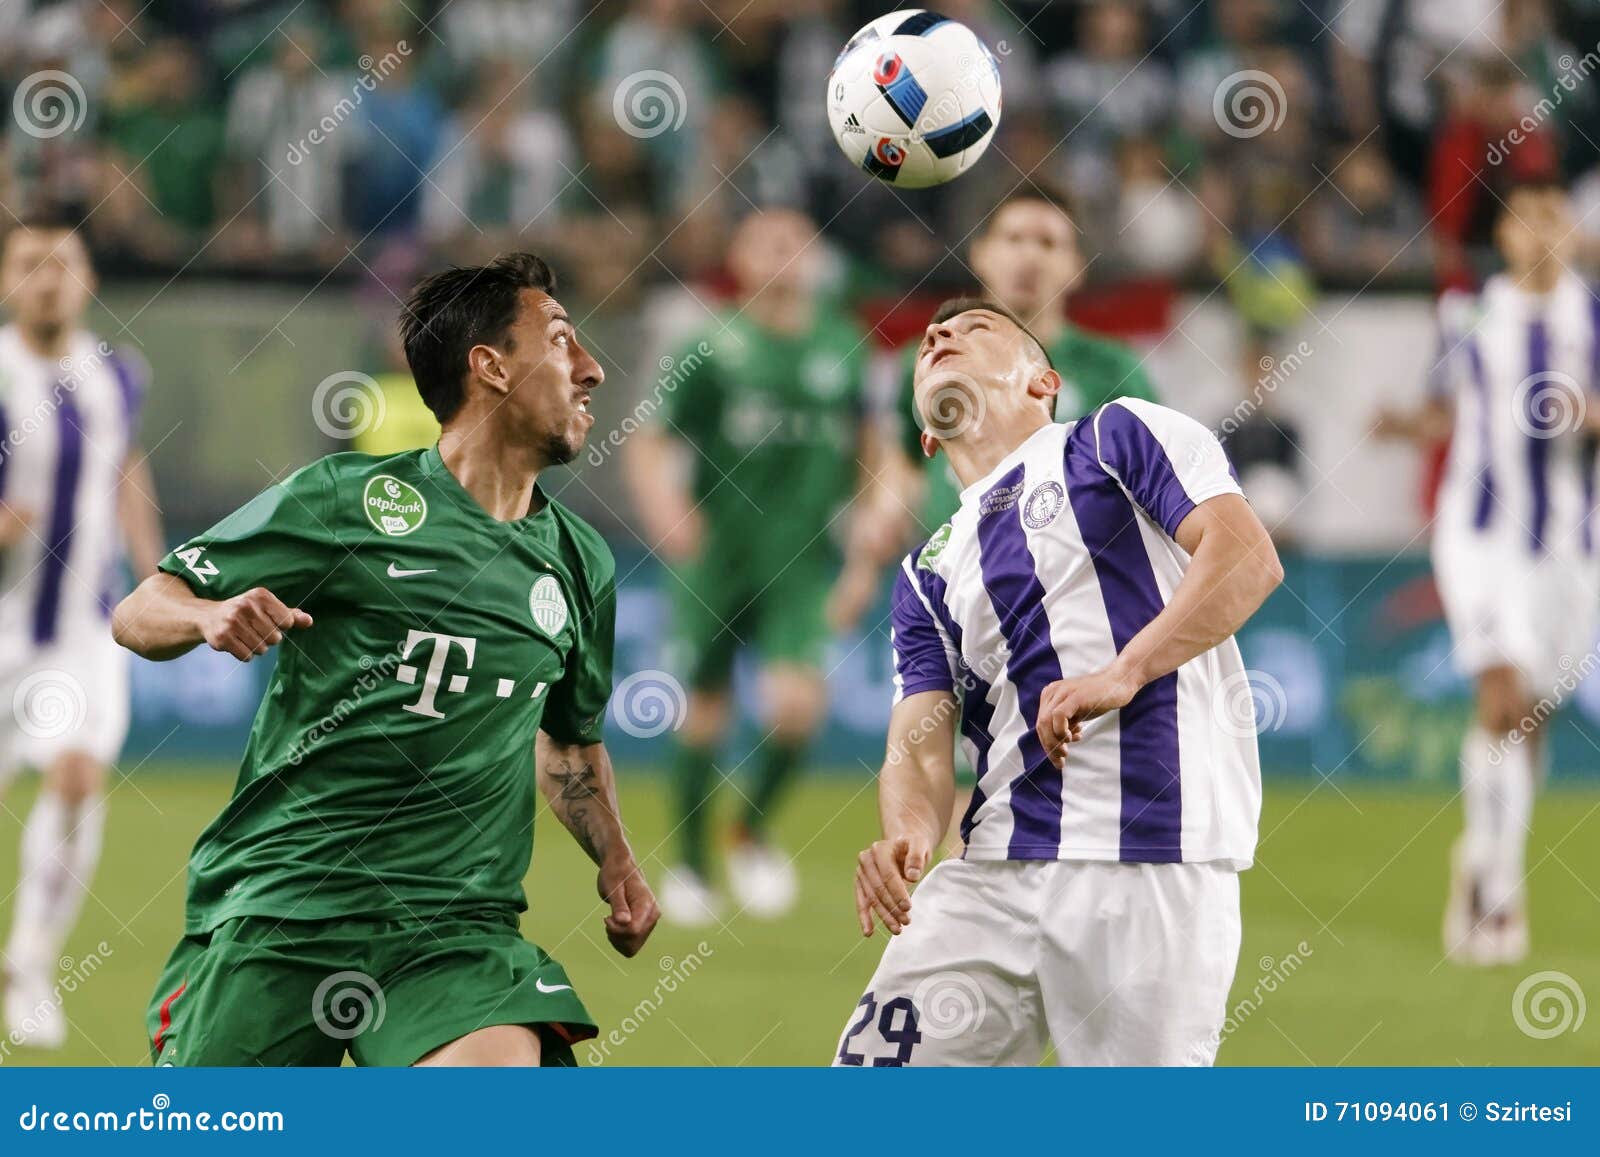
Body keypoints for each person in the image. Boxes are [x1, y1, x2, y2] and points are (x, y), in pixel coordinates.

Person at [113, 253, 659, 1066]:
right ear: (491, 366)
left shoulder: (582, 563)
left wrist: (615, 853)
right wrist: (209, 612)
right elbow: (138, 610)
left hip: (454, 931)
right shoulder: (345, 499)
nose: (592, 369)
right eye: (560, 340)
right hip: (287, 909)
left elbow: (569, 744)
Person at [836, 298, 1281, 1066]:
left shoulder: (1114, 437)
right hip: (991, 873)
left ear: (1045, 380)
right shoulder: (925, 572)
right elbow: (919, 744)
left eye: (976, 329)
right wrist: (909, 833)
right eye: (929, 341)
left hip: (1149, 857)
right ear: (924, 434)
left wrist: (1124, 671)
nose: (940, 335)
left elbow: (1246, 558)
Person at [625, 209, 885, 926]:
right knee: (705, 708)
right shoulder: (710, 344)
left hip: (803, 559)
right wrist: (667, 512)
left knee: (798, 707)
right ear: (738, 257)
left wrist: (866, 545)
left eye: (795, 242)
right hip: (718, 555)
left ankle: (750, 830)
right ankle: (691, 865)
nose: (782, 255)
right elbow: (647, 441)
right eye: (766, 241)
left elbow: (872, 452)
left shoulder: (844, 344)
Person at [1375, 177, 1600, 966]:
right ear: (1503, 235)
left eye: (1554, 218)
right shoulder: (1468, 313)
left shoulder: (1595, 316)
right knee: (1500, 694)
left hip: (1571, 545)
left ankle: (1486, 852)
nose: (1540, 232)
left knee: (1529, 713)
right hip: (1478, 536)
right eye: (1525, 218)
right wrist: (1403, 426)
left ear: (1573, 233)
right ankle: (1497, 885)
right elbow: (1444, 407)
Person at [0, 216, 163, 1048]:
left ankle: (27, 963)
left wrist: (157, 566)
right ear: (5, 280)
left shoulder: (115, 375)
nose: (49, 278)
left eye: (64, 262)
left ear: (89, 278)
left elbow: (125, 466)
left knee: (74, 775)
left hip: (79, 629)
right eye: (31, 263)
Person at [888, 188, 1158, 539]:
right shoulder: (932, 357)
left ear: (1077, 268)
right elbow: (905, 457)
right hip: (956, 578)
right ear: (980, 254)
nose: (1029, 256)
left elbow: (1152, 476)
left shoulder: (1114, 368)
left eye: (1048, 243)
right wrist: (887, 509)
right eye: (1013, 239)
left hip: (1073, 577)